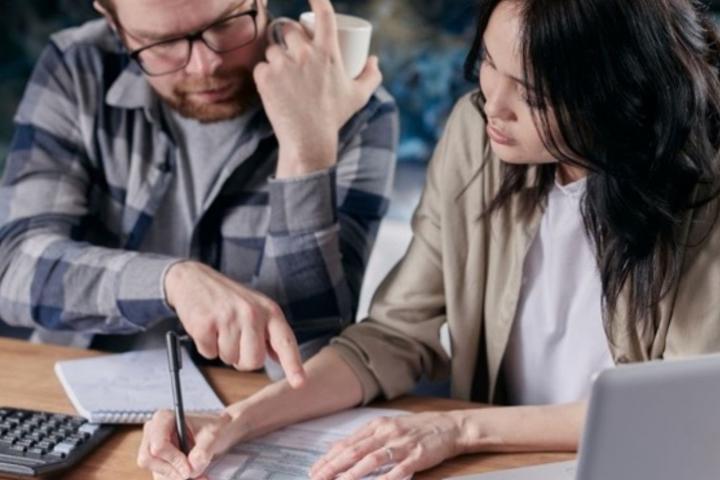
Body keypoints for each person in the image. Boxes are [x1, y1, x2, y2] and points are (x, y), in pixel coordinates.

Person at [138, 0, 720, 478]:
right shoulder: (478, 134)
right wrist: (237, 420)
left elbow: (677, 407)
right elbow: (392, 335)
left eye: (534, 94)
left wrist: (459, 428)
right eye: (488, 63)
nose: (494, 103)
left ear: (622, 95)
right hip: (494, 465)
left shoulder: (705, 192)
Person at [0, 0, 398, 384]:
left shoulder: (354, 109)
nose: (206, 65)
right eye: (163, 43)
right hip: (72, 384)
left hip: (250, 413)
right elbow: (13, 270)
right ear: (113, 21)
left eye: (226, 23)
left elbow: (308, 363)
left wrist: (306, 154)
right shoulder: (79, 65)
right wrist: (171, 282)